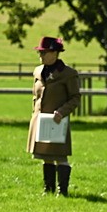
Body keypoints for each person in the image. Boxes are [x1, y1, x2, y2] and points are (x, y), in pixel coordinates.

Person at [27, 36, 81, 196]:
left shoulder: (68, 74)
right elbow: (35, 96)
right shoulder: (37, 71)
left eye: (44, 52)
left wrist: (62, 112)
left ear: (55, 53)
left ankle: (62, 191)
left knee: (60, 156)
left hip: (58, 121)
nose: (41, 56)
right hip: (40, 120)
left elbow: (75, 97)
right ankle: (48, 189)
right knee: (46, 156)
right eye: (40, 52)